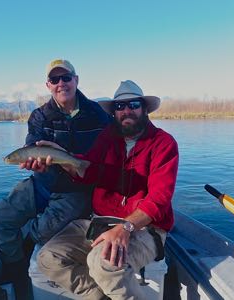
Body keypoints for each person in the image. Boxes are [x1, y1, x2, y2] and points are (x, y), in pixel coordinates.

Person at [36, 80, 179, 299]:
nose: (126, 111)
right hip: (100, 222)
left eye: (133, 104)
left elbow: (159, 199)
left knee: (103, 262)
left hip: (145, 228)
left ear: (144, 108)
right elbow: (88, 170)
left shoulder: (164, 143)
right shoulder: (107, 138)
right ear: (114, 113)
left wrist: (126, 228)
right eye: (120, 107)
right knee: (48, 257)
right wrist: (61, 158)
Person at [0, 59, 111, 299]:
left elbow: (107, 156)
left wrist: (73, 163)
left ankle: (28, 249)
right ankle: (17, 270)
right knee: (1, 219)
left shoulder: (98, 115)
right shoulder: (39, 116)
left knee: (42, 234)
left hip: (76, 189)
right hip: (41, 183)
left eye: (66, 77)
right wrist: (36, 163)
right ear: (48, 85)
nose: (61, 83)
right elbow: (31, 145)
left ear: (76, 80)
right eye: (54, 79)